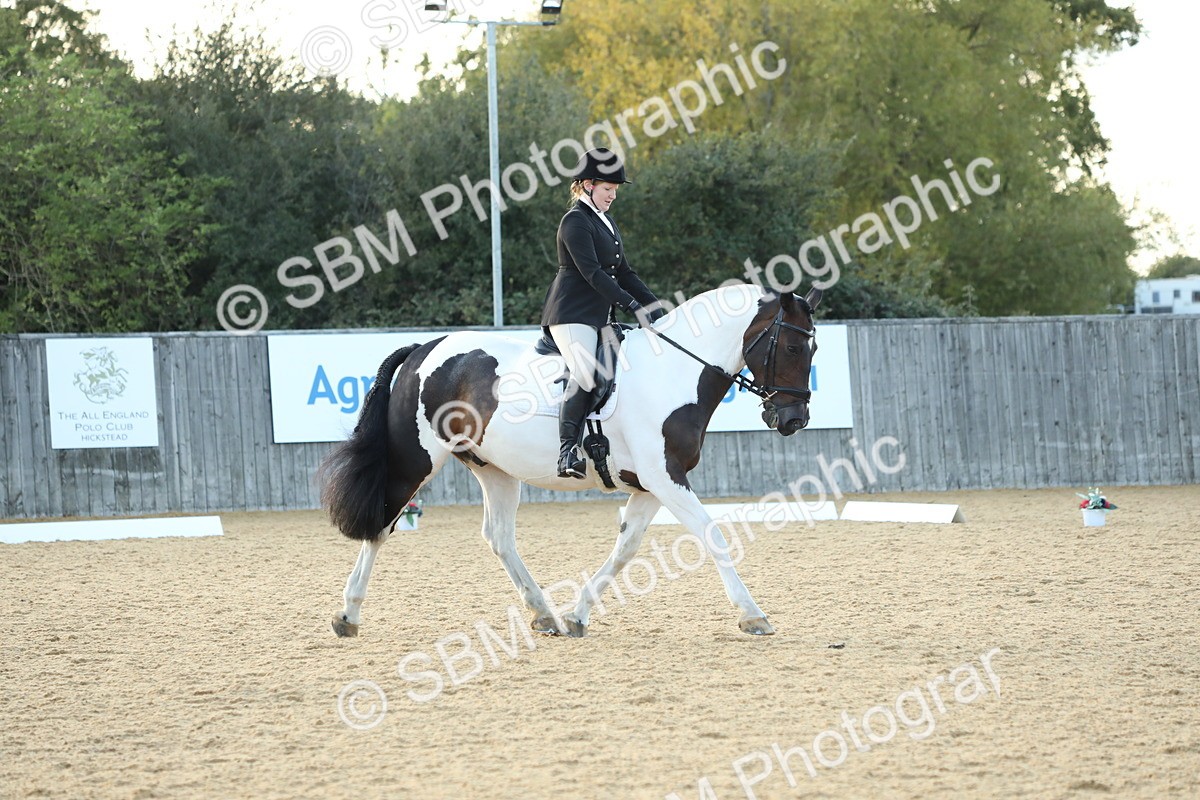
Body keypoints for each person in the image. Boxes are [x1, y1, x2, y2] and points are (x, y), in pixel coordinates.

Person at [540, 148, 665, 479]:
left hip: (599, 316)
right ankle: (567, 453)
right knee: (584, 372)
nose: (613, 195)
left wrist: (654, 307)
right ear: (586, 185)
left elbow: (624, 272)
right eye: (608, 188)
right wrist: (631, 305)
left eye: (615, 190)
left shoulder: (607, 222)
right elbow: (593, 274)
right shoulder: (575, 222)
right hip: (570, 314)